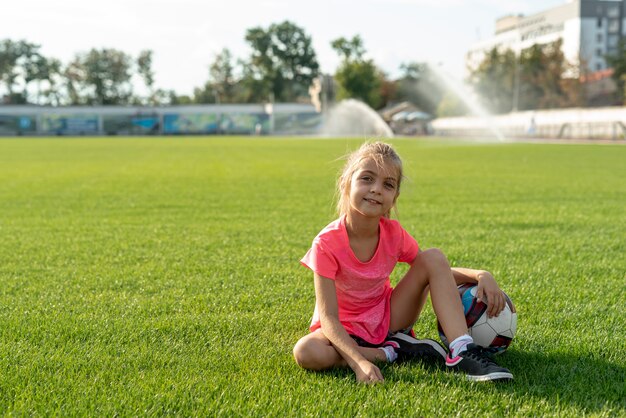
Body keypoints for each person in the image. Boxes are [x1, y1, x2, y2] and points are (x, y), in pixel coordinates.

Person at [292, 142, 513, 383]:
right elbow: (329, 318)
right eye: (367, 179)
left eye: (387, 185)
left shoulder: (394, 234)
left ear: (394, 196)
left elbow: (434, 269)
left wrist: (479, 275)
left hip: (387, 318)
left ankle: (462, 351)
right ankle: (391, 352)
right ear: (346, 183)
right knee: (306, 352)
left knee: (433, 256)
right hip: (341, 328)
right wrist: (360, 363)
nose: (376, 189)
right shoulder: (326, 243)